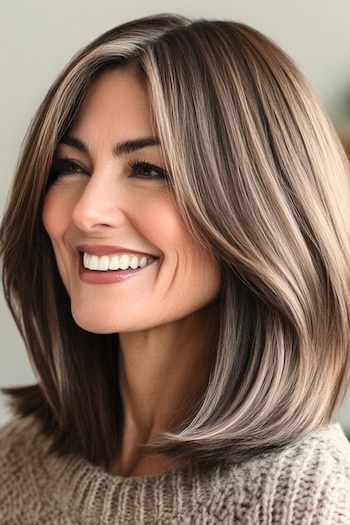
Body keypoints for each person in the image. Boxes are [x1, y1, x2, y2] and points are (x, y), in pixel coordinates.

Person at [0, 12, 350, 524]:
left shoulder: (304, 502)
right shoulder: (15, 463)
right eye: (70, 167)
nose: (85, 210)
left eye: (148, 170)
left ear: (259, 211)